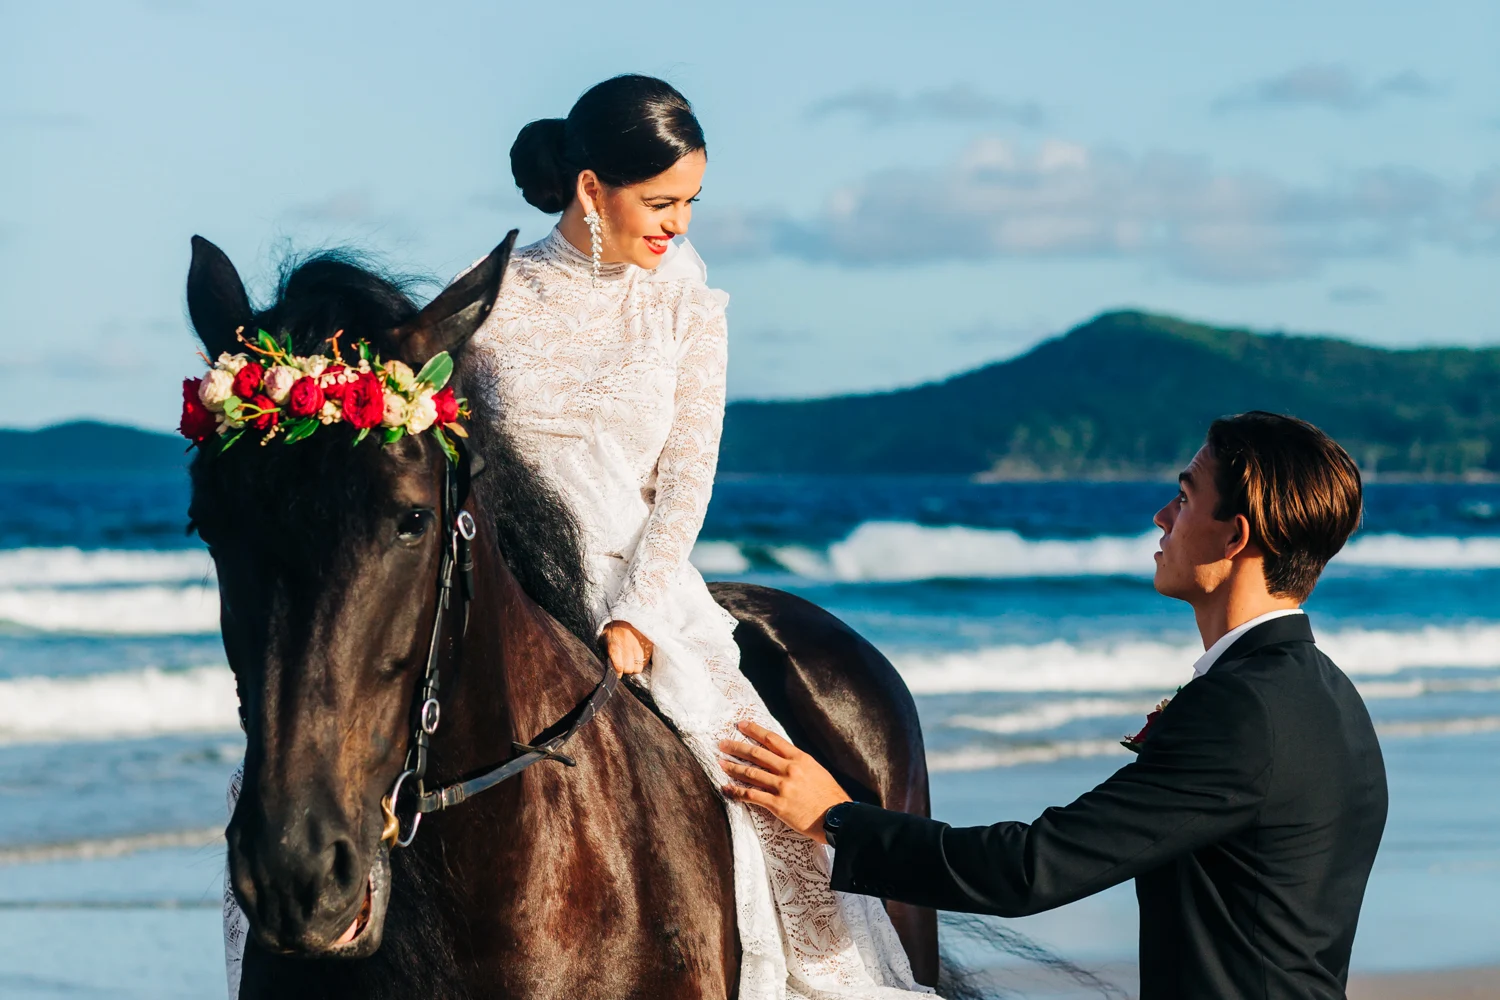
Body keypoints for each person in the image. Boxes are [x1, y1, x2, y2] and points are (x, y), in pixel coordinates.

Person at [465, 75, 931, 999]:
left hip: (642, 585)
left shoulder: (683, 293)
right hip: (514, 583)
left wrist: (638, 612)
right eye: (662, 201)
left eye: (691, 202)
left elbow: (686, 476)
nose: (678, 223)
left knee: (757, 790)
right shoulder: (492, 303)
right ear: (591, 188)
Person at [722, 412, 1389, 1000]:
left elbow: (1028, 871)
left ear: (1233, 537)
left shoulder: (1245, 711)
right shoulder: (1329, 698)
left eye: (1184, 500)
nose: (1162, 517)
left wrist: (833, 819)